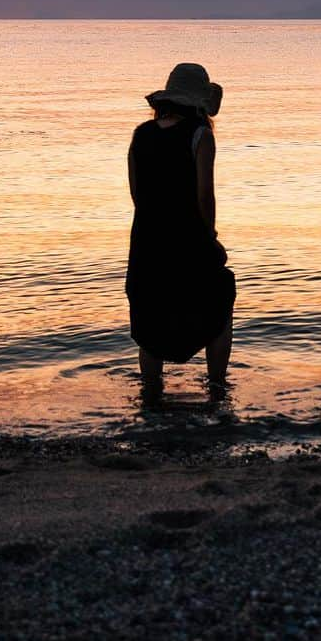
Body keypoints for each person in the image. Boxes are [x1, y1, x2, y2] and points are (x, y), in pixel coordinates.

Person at [126, 63, 235, 395]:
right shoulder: (201, 135)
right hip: (189, 236)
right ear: (199, 103)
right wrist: (211, 235)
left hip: (147, 237)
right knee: (218, 302)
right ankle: (216, 386)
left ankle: (151, 391)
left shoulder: (141, 134)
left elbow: (136, 192)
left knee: (151, 313)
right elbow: (205, 195)